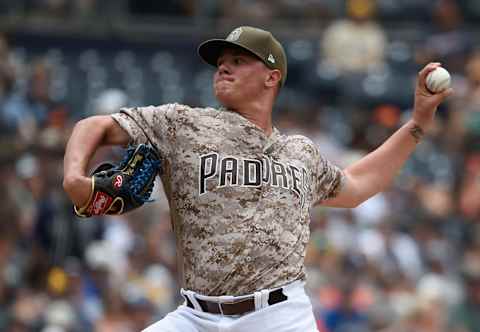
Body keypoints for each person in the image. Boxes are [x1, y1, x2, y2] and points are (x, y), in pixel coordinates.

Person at [63, 26, 452, 332]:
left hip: (279, 317)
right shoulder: (182, 124)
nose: (223, 66)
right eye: (220, 61)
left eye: (237, 59)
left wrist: (417, 124)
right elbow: (94, 126)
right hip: (196, 317)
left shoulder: (300, 152)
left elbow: (357, 186)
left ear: (271, 77)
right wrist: (74, 178)